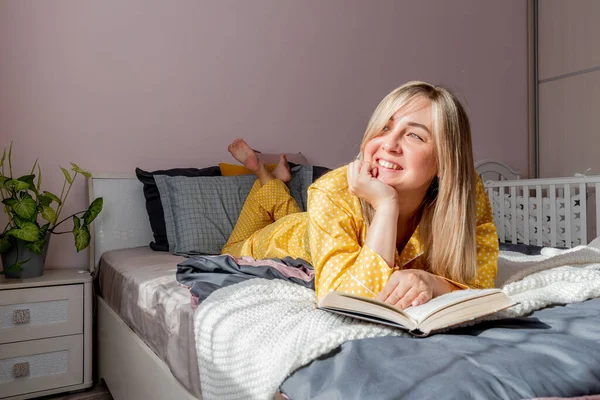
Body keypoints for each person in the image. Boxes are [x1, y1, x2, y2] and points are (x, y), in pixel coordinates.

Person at [222, 81, 498, 310]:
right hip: (279, 240)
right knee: (230, 249)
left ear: (447, 160)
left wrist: (433, 282)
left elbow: (479, 280)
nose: (389, 144)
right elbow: (347, 300)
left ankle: (275, 180)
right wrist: (385, 205)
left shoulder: (463, 191)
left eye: (414, 135)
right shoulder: (332, 189)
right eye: (385, 128)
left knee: (298, 217)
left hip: (312, 224)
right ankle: (263, 174)